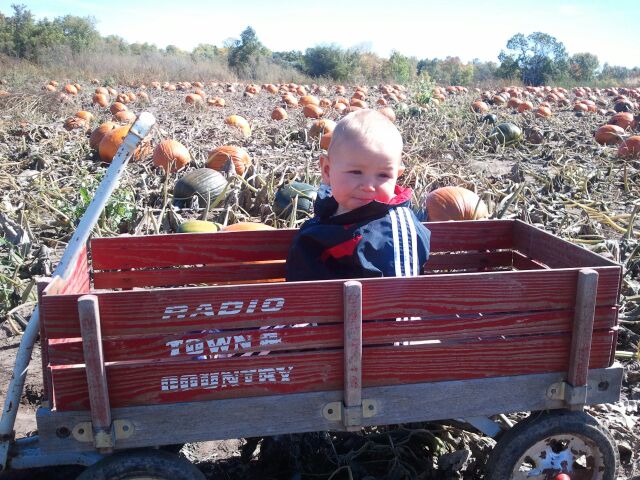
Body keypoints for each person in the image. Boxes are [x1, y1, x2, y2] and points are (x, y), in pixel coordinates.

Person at [286, 108, 430, 281]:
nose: (368, 186)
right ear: (327, 170)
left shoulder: (395, 233)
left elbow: (400, 298)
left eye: (383, 175)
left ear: (397, 176)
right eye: (356, 172)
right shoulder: (327, 213)